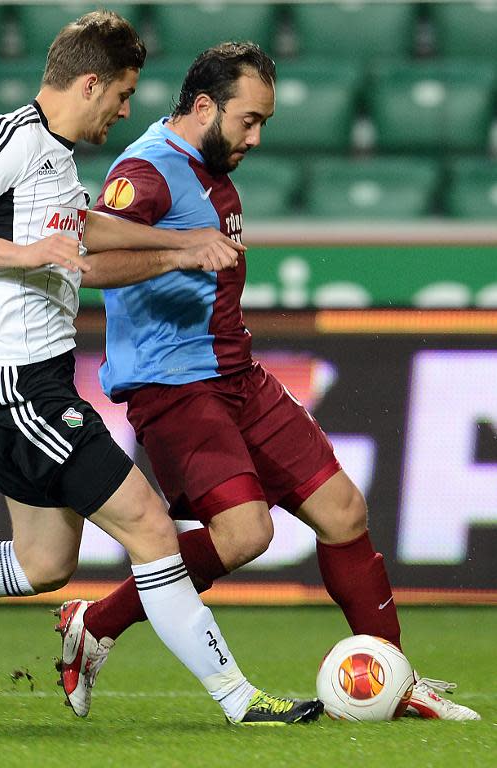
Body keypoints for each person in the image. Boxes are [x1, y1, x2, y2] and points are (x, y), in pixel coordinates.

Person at [0, 13, 323, 726]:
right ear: (89, 83)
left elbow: (85, 227)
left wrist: (179, 244)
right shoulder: (8, 141)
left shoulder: (53, 158)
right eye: (120, 95)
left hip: (38, 380)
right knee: (148, 525)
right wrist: (28, 256)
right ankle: (241, 701)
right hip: (13, 383)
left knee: (42, 562)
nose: (123, 109)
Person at [55, 41, 481, 722]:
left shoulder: (209, 165)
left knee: (343, 511)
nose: (255, 136)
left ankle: (395, 681)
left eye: (263, 123)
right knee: (244, 535)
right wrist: (177, 251)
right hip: (174, 388)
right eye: (248, 120)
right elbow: (80, 262)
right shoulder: (147, 171)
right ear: (203, 106)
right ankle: (99, 621)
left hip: (237, 376)